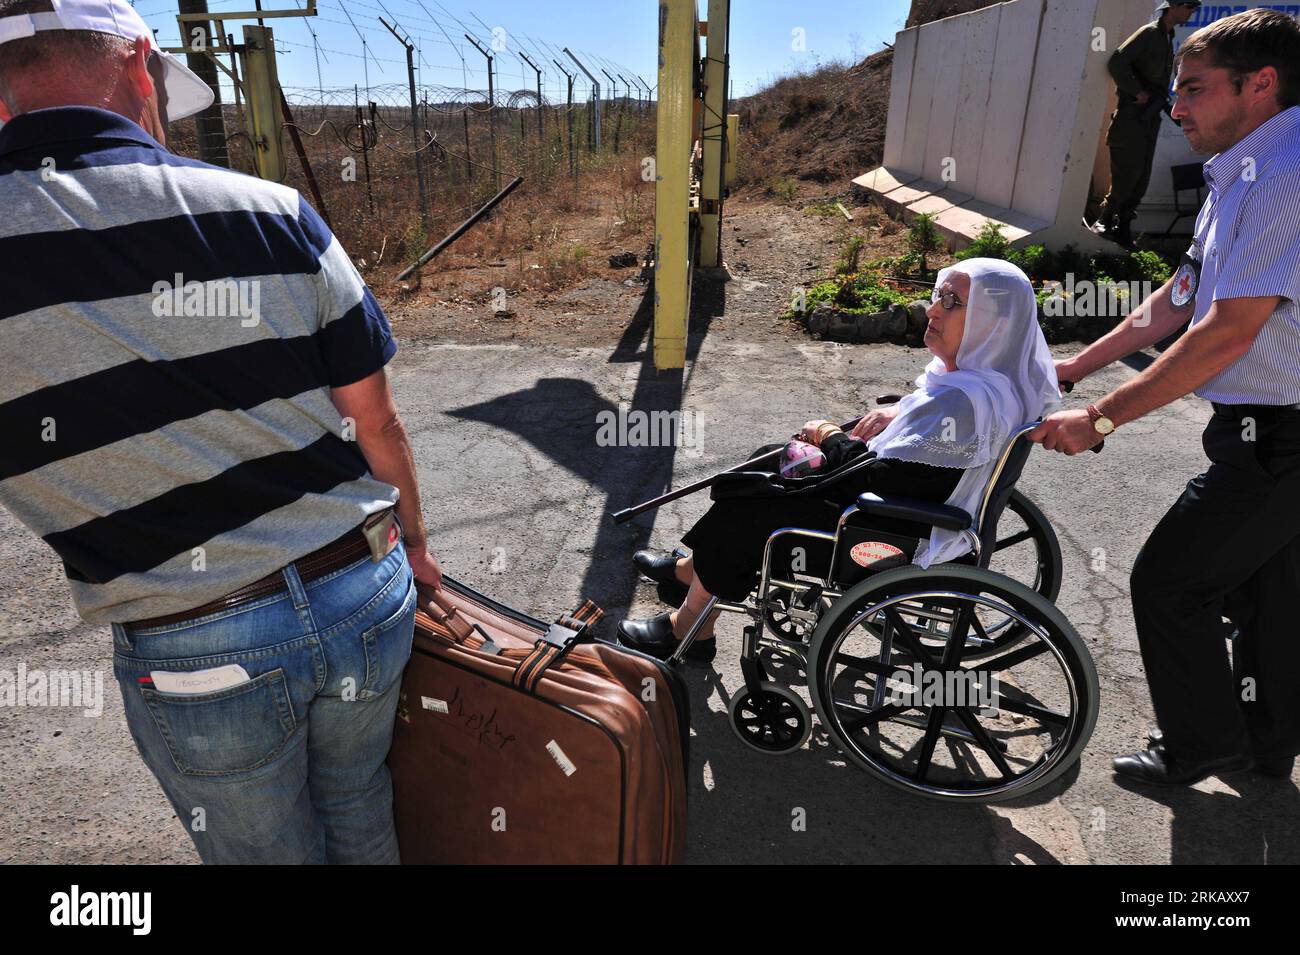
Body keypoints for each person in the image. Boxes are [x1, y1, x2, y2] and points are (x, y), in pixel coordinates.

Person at [0, 0, 442, 862]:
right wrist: (416, 547)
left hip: (195, 643)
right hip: (363, 587)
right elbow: (377, 418)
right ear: (139, 61)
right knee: (360, 803)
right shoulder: (272, 210)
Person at [1034, 9, 1300, 786]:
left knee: (1168, 582)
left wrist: (1103, 419)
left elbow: (1226, 332)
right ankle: (1264, 741)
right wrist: (1075, 371)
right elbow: (1180, 297)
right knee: (1268, 591)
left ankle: (1203, 743)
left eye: (1193, 88)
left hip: (1281, 438)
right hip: (1263, 429)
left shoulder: (1284, 176)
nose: (1175, 106)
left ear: (1261, 84)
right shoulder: (1244, 168)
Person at [618, 259, 1061, 660]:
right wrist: (901, 410)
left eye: (953, 301)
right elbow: (917, 457)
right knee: (766, 462)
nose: (933, 310)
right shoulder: (988, 381)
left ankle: (691, 629)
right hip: (907, 508)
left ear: (990, 324)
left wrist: (830, 437)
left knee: (753, 499)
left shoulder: (965, 401)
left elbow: (878, 478)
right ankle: (692, 571)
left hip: (888, 528)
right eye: (938, 295)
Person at [1090, 1, 1201, 248]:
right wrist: (1137, 91)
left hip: (1148, 120)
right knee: (1127, 174)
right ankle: (1105, 219)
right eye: (1189, 8)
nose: (1192, 13)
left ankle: (1124, 227)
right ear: (1174, 7)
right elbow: (1117, 62)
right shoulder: (1150, 33)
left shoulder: (1165, 37)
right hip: (1131, 119)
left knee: (1141, 178)